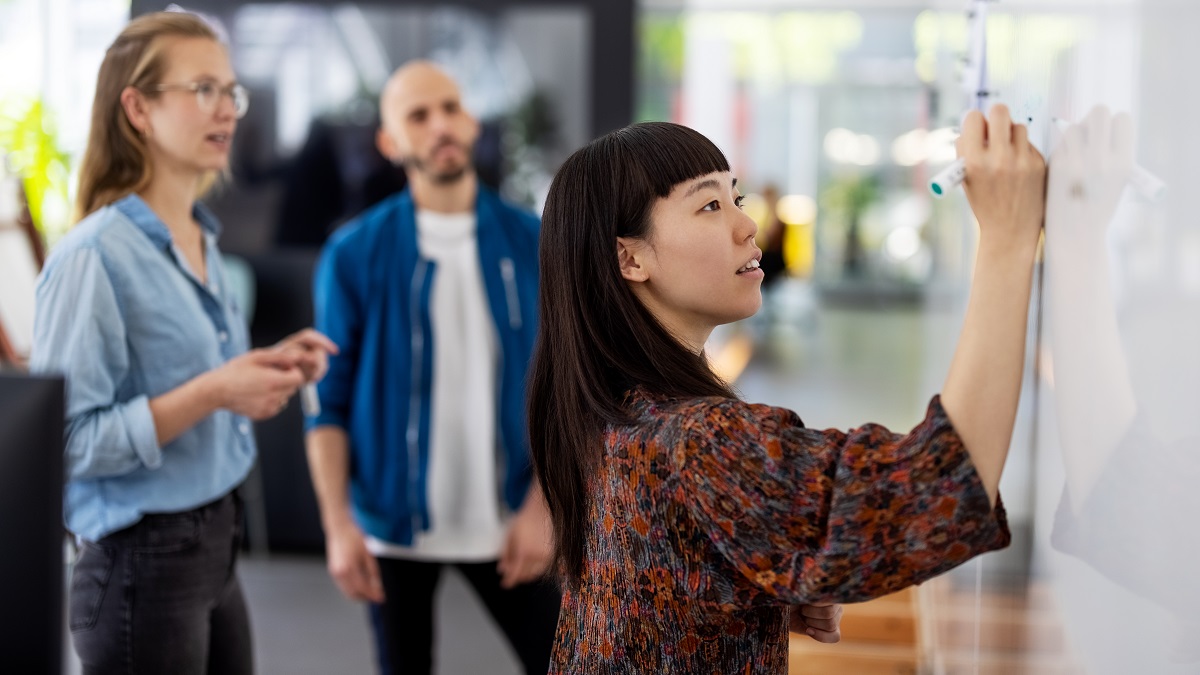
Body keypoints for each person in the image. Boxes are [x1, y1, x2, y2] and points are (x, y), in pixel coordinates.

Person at [527, 110, 1046, 672]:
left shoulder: (611, 409)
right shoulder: (700, 442)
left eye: (736, 199)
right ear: (630, 258)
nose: (748, 226)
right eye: (708, 206)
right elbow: (944, 481)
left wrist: (748, 581)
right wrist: (1008, 240)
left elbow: (643, 595)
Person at [29, 11, 335, 674]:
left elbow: (194, 380)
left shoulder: (202, 236)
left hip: (215, 540)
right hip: (141, 559)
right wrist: (214, 391)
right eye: (203, 89)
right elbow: (64, 443)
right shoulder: (93, 256)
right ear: (136, 107)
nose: (227, 109)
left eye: (231, 92)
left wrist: (258, 370)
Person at [305, 61, 559, 674]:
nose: (440, 124)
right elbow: (326, 401)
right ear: (391, 143)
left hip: (512, 521)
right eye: (418, 115)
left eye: (450, 107)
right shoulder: (354, 253)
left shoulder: (535, 241)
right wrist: (339, 527)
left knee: (565, 663)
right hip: (393, 526)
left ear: (471, 122)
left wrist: (543, 507)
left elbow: (569, 391)